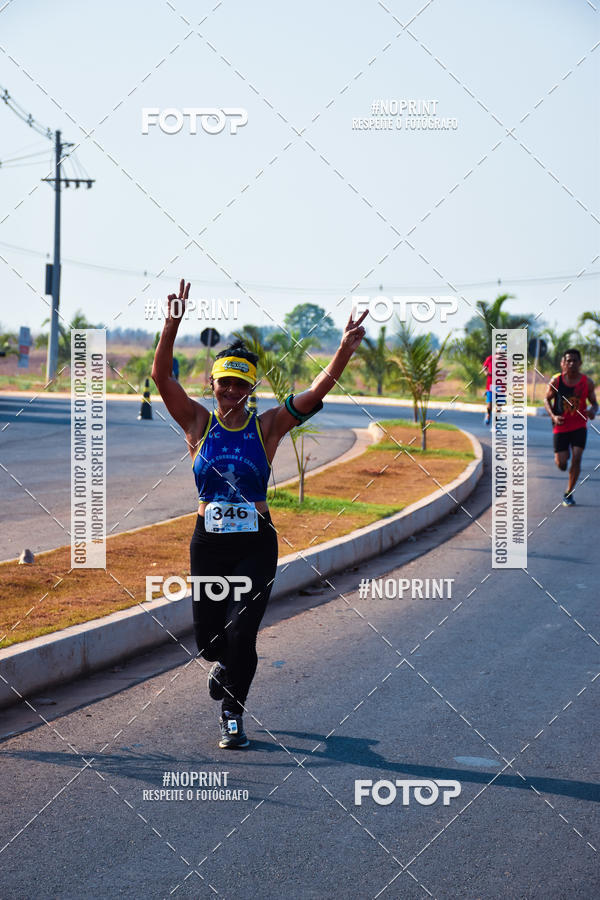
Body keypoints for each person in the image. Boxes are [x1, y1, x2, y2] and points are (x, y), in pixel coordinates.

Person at [152, 278, 368, 748]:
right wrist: (171, 325)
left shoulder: (267, 425)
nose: (231, 392)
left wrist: (344, 352)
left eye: (240, 385)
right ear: (212, 385)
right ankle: (223, 666)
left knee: (244, 633)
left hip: (255, 542)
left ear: (250, 388)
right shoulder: (197, 423)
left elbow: (313, 392)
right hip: (208, 542)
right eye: (224, 383)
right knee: (210, 641)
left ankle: (233, 713)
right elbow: (162, 380)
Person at [544, 348, 597, 507]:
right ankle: (563, 460)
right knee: (561, 464)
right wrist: (553, 416)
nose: (572, 363)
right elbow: (546, 400)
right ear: (563, 363)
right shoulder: (556, 381)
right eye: (569, 361)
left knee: (577, 457)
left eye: (575, 361)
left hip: (579, 426)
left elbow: (594, 403)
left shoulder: (587, 382)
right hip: (560, 426)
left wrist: (593, 411)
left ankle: (569, 492)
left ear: (580, 364)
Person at [483, 353, 494, 426]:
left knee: (499, 404)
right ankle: (488, 415)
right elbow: (484, 367)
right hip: (490, 384)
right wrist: (486, 372)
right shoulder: (490, 358)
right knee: (490, 403)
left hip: (501, 386)